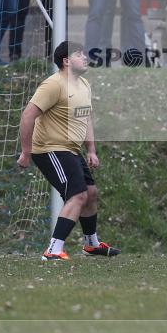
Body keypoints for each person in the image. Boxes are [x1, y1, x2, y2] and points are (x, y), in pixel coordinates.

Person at [17, 41, 120, 260]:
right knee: (77, 194)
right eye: (79, 54)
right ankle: (53, 250)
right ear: (66, 61)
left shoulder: (83, 84)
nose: (85, 57)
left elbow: (86, 117)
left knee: (91, 193)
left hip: (70, 149)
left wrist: (91, 150)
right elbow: (27, 116)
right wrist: (26, 152)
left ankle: (91, 244)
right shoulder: (53, 85)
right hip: (49, 149)